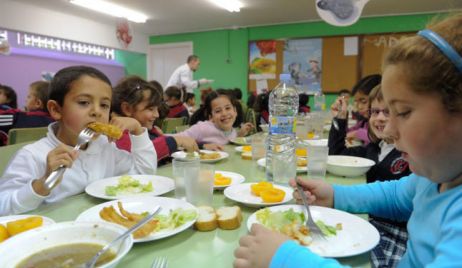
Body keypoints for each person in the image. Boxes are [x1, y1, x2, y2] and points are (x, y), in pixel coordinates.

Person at [234, 14, 462, 268]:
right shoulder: (436, 175)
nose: (389, 128)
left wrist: (287, 260)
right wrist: (334, 195)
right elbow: (397, 196)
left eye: (404, 112)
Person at [0, 66, 157, 216]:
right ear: (56, 109)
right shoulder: (32, 156)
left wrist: (137, 130)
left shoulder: (105, 146)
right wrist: (42, 184)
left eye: (104, 105)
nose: (97, 112)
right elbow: (4, 208)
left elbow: (144, 173)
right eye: (84, 102)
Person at [329, 85, 411, 267]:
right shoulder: (373, 149)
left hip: (394, 231)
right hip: (369, 219)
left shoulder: (409, 155)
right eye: (375, 112)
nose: (380, 118)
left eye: (387, 112)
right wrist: (340, 119)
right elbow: (336, 153)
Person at [112, 76, 198, 163]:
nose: (157, 115)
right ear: (127, 109)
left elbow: (156, 143)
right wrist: (175, 141)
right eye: (150, 109)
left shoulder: (150, 130)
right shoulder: (118, 134)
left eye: (157, 109)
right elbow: (145, 152)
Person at [175, 91, 254, 151]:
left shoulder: (232, 130)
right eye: (218, 111)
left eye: (228, 108)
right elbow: (173, 140)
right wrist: (203, 146)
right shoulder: (202, 128)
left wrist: (239, 135)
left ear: (235, 111)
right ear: (211, 117)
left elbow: (226, 140)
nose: (224, 113)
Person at [341, 74, 382, 147]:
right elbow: (348, 132)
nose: (359, 107)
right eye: (356, 102)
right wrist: (343, 115)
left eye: (363, 101)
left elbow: (376, 137)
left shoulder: (381, 122)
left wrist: (356, 133)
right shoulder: (364, 121)